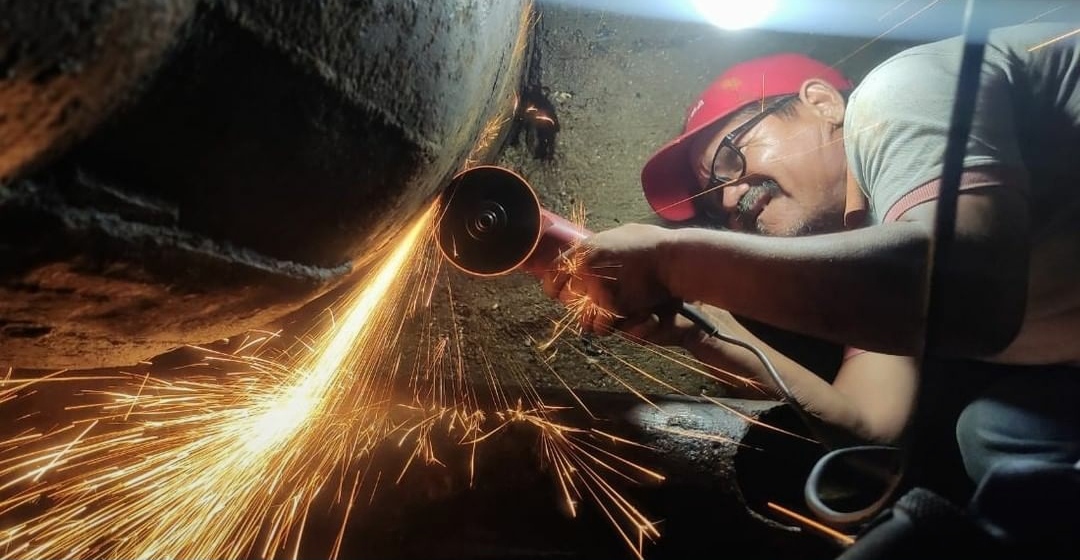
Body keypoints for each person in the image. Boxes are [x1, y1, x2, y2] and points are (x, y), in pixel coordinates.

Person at [543, 22, 1080, 490]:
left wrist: (672, 261)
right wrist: (701, 333)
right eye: (714, 203)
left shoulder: (895, 95)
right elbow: (870, 426)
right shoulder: (881, 273)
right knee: (997, 433)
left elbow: (971, 290)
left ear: (823, 102)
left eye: (732, 157)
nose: (730, 199)